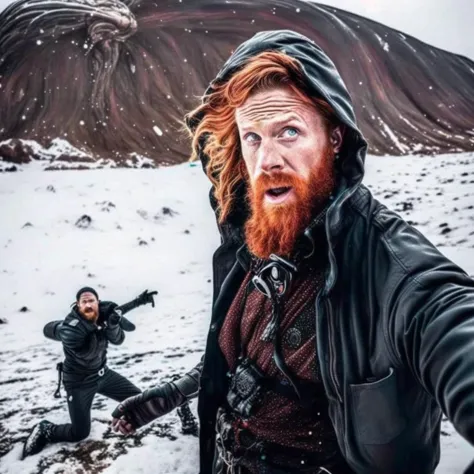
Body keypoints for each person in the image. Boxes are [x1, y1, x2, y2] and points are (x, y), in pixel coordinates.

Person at [110, 30, 474, 474]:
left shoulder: (395, 271)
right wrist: (169, 396)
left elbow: (450, 322)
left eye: (289, 132)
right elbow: (248, 355)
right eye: (253, 138)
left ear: (335, 137)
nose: (267, 161)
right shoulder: (260, 241)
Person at [22, 286, 157, 458]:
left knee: (139, 401)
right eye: (83, 301)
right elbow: (88, 354)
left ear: (97, 303)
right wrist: (104, 327)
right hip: (79, 383)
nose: (88, 304)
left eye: (91, 300)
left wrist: (132, 307)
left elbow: (118, 339)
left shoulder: (102, 316)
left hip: (103, 375)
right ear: (77, 305)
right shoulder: (71, 330)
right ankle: (46, 429)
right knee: (79, 433)